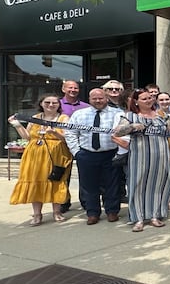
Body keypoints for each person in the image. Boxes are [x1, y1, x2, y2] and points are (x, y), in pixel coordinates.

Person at [112, 89, 170, 232]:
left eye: (150, 98)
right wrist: (132, 127)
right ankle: (138, 218)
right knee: (137, 185)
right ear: (136, 101)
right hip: (139, 156)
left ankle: (155, 215)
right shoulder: (130, 116)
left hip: (160, 156)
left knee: (159, 184)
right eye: (144, 99)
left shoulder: (162, 115)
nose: (148, 100)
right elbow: (117, 132)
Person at [8, 93, 72, 225]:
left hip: (56, 153)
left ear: (59, 105)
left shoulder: (64, 118)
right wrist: (17, 125)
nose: (51, 105)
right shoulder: (35, 118)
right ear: (41, 104)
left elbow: (67, 138)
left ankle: (57, 212)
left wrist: (54, 132)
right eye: (47, 102)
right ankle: (37, 214)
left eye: (54, 103)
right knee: (35, 181)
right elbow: (27, 137)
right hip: (34, 154)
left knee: (56, 180)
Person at [64, 88, 123, 225]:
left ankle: (112, 211)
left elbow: (124, 133)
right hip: (87, 154)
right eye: (94, 98)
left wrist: (120, 151)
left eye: (100, 98)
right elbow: (70, 133)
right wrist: (76, 152)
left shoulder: (118, 113)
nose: (98, 101)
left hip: (111, 154)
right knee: (88, 186)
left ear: (106, 98)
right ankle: (92, 213)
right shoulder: (79, 114)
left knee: (112, 185)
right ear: (89, 100)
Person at [58, 79, 89, 213]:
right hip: (61, 144)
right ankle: (63, 201)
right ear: (63, 89)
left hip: (82, 144)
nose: (73, 90)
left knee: (85, 174)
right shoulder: (56, 104)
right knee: (63, 174)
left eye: (75, 88)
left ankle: (86, 202)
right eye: (69, 87)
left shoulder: (86, 107)